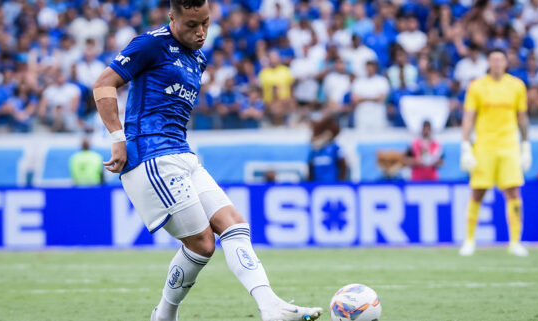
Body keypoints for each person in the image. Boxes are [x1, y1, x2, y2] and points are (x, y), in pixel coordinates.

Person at [92, 1, 322, 321]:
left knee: (235, 224)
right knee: (202, 244)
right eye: (191, 25)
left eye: (206, 23)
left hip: (184, 154)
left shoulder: (198, 57)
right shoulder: (151, 43)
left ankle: (271, 306)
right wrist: (117, 139)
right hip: (151, 156)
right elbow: (103, 83)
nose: (200, 32)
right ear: (172, 18)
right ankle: (164, 316)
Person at [459, 48, 531, 257]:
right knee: (478, 192)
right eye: (493, 59)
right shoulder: (477, 86)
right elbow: (468, 118)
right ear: (488, 62)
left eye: (501, 59)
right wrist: (465, 146)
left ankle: (515, 242)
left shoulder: (517, 86)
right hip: (484, 146)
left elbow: (522, 118)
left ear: (506, 62)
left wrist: (526, 146)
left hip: (509, 146)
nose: (497, 63)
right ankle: (469, 240)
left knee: (513, 192)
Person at [307, 116, 347, 182]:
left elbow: (343, 166)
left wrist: (341, 183)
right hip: (317, 185)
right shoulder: (314, 151)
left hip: (332, 184)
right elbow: (310, 169)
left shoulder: (335, 148)